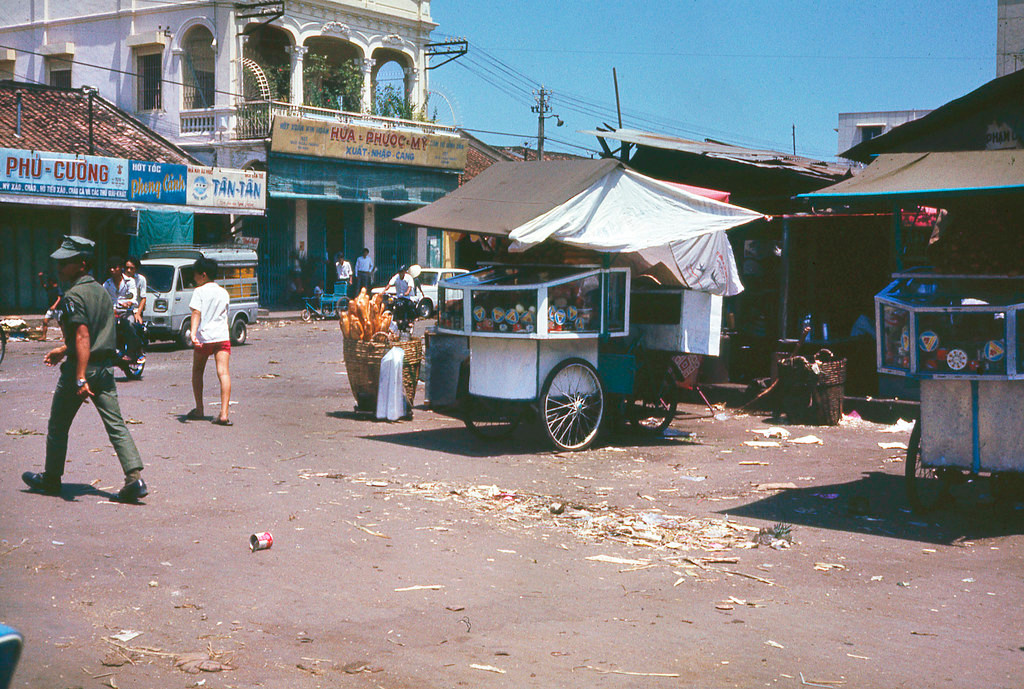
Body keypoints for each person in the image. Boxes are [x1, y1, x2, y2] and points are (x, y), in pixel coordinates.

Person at [22, 236, 148, 503]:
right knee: (117, 425)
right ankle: (134, 478)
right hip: (104, 369)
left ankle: (52, 479)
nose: (59, 266)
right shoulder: (102, 292)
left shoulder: (73, 295)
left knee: (58, 425)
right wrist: (63, 349)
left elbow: (82, 336)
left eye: (65, 262)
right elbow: (95, 333)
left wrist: (79, 377)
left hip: (82, 370)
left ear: (81, 264)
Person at [186, 257, 233, 426]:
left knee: (198, 371)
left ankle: (199, 409)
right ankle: (224, 413)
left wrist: (192, 334)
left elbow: (196, 313)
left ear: (203, 275)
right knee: (224, 373)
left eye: (195, 275)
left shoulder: (199, 291)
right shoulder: (223, 292)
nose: (194, 278)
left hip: (204, 337)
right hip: (222, 336)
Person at [102, 257, 142, 360]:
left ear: (120, 268)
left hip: (127, 312)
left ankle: (132, 352)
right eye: (110, 268)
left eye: (115, 268)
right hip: (112, 313)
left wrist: (128, 303)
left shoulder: (130, 282)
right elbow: (104, 299)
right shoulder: (106, 284)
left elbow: (133, 296)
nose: (112, 270)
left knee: (130, 325)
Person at [39, 272, 62, 341]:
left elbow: (59, 298)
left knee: (61, 323)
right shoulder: (49, 288)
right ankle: (44, 336)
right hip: (50, 309)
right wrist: (40, 278)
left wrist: (55, 305)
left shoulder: (57, 289)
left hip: (57, 309)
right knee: (45, 321)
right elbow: (43, 285)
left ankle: (64, 337)